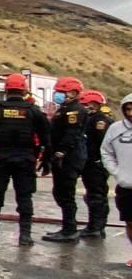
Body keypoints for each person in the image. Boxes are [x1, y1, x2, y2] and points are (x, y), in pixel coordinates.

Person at [0, 73, 50, 245]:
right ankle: (25, 235)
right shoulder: (35, 113)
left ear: (6, 90)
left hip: (1, 159)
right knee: (24, 196)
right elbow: (47, 140)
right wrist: (46, 161)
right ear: (25, 91)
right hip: (25, 159)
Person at [42, 76, 89, 243]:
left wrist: (61, 152)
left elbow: (71, 134)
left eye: (62, 92)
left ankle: (69, 230)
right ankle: (68, 227)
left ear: (74, 93)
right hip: (63, 157)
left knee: (65, 193)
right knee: (60, 192)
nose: (58, 94)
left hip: (69, 158)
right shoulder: (65, 108)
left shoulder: (75, 111)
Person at [100, 94, 132, 266]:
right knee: (130, 222)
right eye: (127, 109)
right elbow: (106, 151)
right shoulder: (115, 129)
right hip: (126, 185)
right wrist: (116, 172)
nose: (131, 113)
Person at [79, 90, 114, 238]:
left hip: (96, 164)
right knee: (93, 195)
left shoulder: (100, 121)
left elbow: (102, 144)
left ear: (94, 104)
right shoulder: (90, 119)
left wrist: (97, 160)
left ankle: (96, 228)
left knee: (96, 196)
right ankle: (95, 226)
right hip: (91, 163)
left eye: (86, 104)